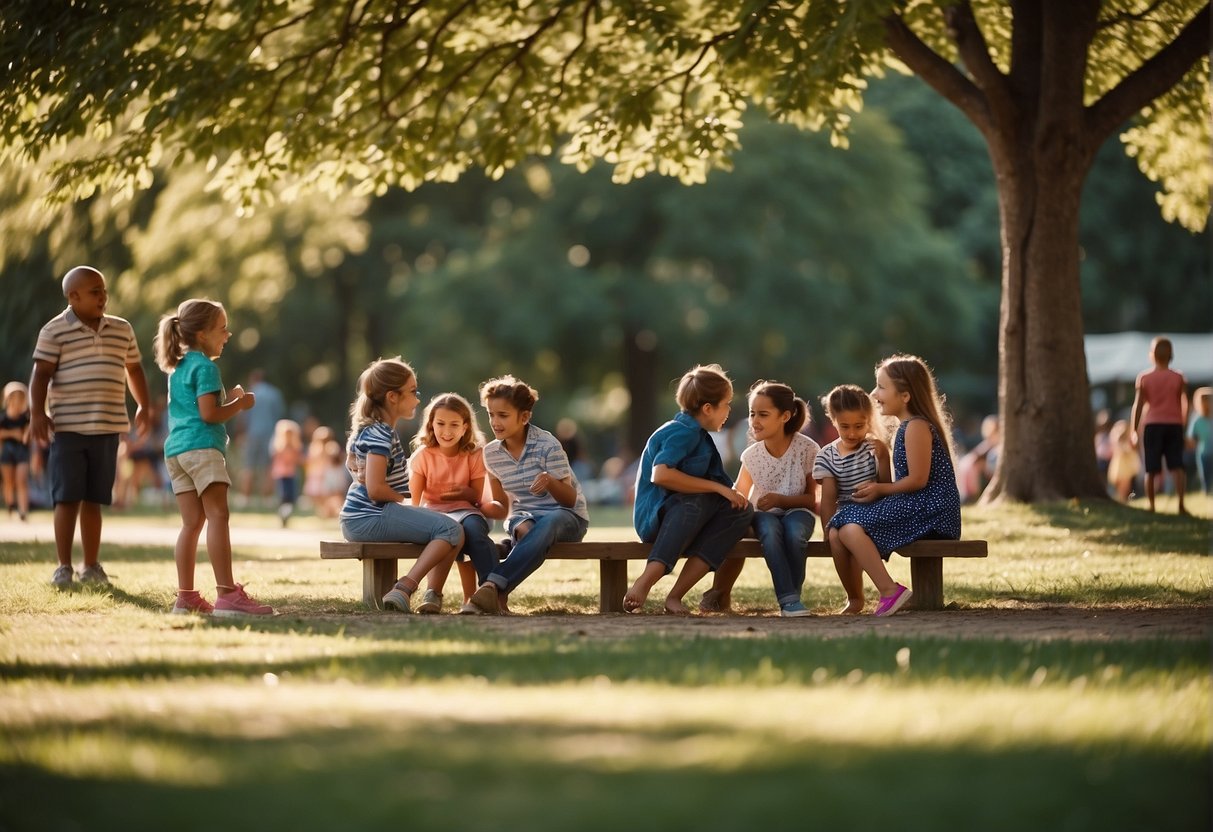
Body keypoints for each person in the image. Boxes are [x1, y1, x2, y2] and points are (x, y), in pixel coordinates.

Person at [30, 266, 152, 589]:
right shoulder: (54, 331)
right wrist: (37, 413)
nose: (103, 296)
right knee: (67, 498)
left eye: (104, 290)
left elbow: (134, 368)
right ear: (74, 296)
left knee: (94, 498)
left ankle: (91, 565)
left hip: (108, 427)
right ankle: (63, 566)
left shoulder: (122, 329)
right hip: (68, 428)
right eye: (95, 291)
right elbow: (41, 375)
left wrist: (144, 404)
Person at [154, 299, 274, 616]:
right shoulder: (205, 367)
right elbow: (209, 415)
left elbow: (196, 409)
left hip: (176, 450)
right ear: (203, 333)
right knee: (218, 516)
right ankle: (227, 595)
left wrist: (229, 398)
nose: (228, 334)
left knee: (191, 523)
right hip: (202, 448)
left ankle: (186, 597)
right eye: (222, 329)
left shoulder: (178, 368)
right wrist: (241, 404)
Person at [826, 355, 961, 617]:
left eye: (881, 386)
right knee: (841, 525)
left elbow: (918, 480)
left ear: (906, 395)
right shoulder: (906, 427)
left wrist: (879, 490)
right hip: (918, 504)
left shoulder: (917, 427)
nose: (874, 393)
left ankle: (889, 591)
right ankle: (870, 595)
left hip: (933, 510)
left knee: (848, 526)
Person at [623, 364, 754, 615]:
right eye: (726, 404)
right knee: (696, 500)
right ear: (707, 408)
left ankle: (675, 596)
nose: (728, 411)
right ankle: (646, 580)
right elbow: (661, 475)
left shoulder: (702, 438)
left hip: (688, 514)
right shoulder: (681, 432)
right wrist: (717, 488)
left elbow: (725, 491)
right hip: (657, 519)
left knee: (741, 511)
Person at [340, 357, 463, 613]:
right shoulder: (381, 433)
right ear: (392, 397)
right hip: (370, 516)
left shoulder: (370, 429)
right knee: (452, 531)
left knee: (449, 529)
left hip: (362, 516)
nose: (417, 398)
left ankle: (421, 591)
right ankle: (405, 588)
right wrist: (400, 499)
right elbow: (375, 488)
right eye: (412, 392)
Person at [462, 375, 589, 615]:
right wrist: (477, 505)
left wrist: (550, 482)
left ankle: (493, 585)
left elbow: (569, 500)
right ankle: (496, 598)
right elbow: (501, 505)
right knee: (524, 527)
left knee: (547, 523)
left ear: (525, 417)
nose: (495, 422)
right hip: (524, 517)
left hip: (566, 517)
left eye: (503, 415)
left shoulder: (547, 445)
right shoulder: (491, 454)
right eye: (491, 414)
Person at [708, 381, 820, 617]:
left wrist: (782, 500)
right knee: (770, 533)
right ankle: (789, 601)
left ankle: (793, 596)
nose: (755, 420)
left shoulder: (807, 449)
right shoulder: (751, 455)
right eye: (752, 414)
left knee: (794, 533)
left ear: (785, 416)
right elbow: (740, 492)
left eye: (763, 414)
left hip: (798, 511)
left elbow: (813, 498)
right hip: (763, 515)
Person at [408, 392, 499, 607]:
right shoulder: (423, 456)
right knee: (446, 534)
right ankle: (433, 594)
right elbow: (415, 502)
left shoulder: (475, 454)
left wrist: (461, 493)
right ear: (431, 424)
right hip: (434, 513)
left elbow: (475, 497)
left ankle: (490, 589)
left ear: (465, 427)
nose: (446, 431)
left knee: (474, 531)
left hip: (467, 511)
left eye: (454, 425)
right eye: (440, 423)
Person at [813, 383, 892, 614]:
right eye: (844, 426)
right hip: (844, 513)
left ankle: (860, 596)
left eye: (859, 426)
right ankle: (854, 597)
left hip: (873, 510)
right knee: (837, 537)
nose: (852, 433)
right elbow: (828, 499)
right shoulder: (826, 455)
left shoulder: (873, 448)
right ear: (833, 419)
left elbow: (886, 486)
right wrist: (827, 528)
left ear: (868, 420)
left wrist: (883, 459)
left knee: (848, 531)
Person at [1130, 336, 1189, 514]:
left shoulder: (1144, 378)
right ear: (1171, 355)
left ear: (1152, 355)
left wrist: (1134, 430)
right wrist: (1182, 423)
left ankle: (1152, 506)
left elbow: (1138, 405)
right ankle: (1180, 504)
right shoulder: (1178, 377)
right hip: (1174, 424)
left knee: (1151, 468)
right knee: (1177, 466)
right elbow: (1185, 403)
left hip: (1152, 425)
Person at [238, 369, 285, 505]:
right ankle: (267, 498)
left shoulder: (249, 393)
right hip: (270, 433)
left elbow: (243, 416)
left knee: (248, 465)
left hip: (252, 433)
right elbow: (279, 414)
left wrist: (241, 433)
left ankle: (245, 497)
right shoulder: (274, 393)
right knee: (268, 467)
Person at [1, 381, 32, 521]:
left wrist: (26, 435)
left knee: (22, 480)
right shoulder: (3, 418)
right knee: (9, 482)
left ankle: (23, 512)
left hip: (22, 451)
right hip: (7, 451)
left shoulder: (26, 418)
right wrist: (13, 433)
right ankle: (10, 505)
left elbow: (28, 434)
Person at [270, 418, 303, 526]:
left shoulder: (295, 447)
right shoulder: (279, 447)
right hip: (282, 475)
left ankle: (286, 514)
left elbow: (297, 459)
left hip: (291, 474)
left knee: (291, 496)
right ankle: (283, 514)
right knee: (283, 496)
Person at [1107, 419, 1140, 503]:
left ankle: (1123, 499)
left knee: (1126, 484)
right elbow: (1121, 451)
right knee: (1123, 484)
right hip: (1121, 465)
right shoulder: (1119, 440)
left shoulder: (1126, 440)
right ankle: (1122, 499)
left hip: (1124, 465)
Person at [1188, 388, 1212, 495]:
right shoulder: (1197, 420)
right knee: (1205, 476)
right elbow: (1191, 437)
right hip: (1203, 453)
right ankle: (1207, 493)